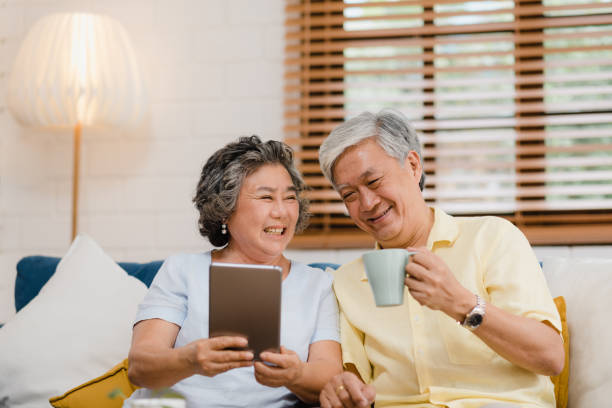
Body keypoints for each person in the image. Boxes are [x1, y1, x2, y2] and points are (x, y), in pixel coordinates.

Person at [317, 110, 564, 408]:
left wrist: (461, 303)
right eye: (349, 195)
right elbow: (353, 381)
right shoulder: (346, 281)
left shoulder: (492, 237)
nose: (367, 203)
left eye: (373, 181)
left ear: (412, 166)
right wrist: (342, 391)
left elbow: (550, 357)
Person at [125, 136, 342, 407]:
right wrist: (191, 359)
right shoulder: (183, 270)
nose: (282, 211)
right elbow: (140, 367)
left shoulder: (318, 284)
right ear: (225, 208)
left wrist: (296, 374)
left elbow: (330, 376)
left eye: (290, 197)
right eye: (266, 197)